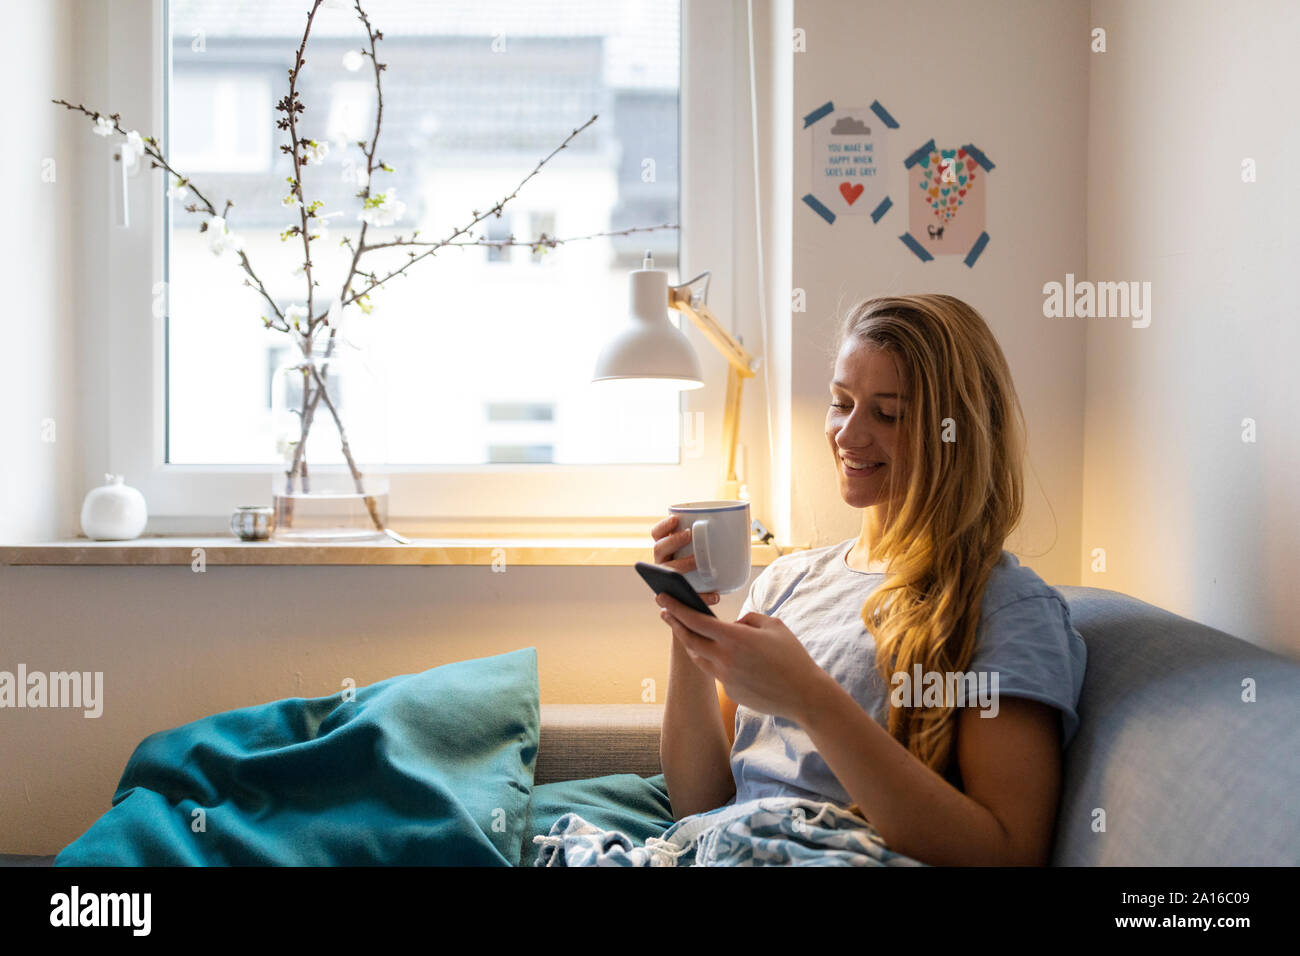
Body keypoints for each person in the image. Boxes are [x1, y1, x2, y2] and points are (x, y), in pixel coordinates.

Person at [651, 293, 1087, 867]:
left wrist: (810, 697)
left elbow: (1007, 853)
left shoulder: (1005, 608)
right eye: (841, 402)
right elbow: (699, 803)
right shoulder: (786, 581)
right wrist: (690, 625)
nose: (847, 435)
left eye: (889, 413)